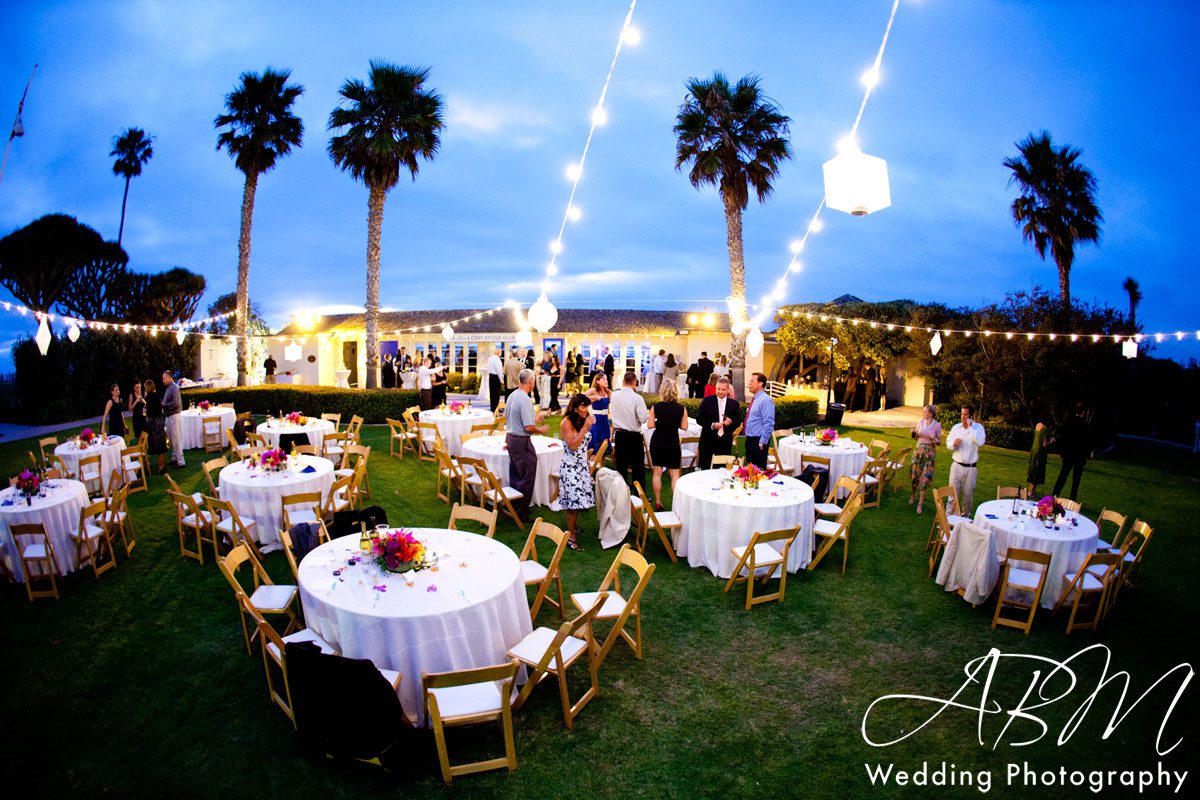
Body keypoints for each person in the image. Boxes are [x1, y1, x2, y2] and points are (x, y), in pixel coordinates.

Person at [505, 369, 547, 524]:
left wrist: (535, 417)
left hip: (511, 438)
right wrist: (541, 430)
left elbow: (516, 417)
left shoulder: (512, 396)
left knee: (516, 474)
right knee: (527, 475)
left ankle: (516, 507)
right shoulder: (524, 399)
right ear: (531, 382)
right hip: (520, 441)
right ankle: (521, 513)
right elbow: (528, 427)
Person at [558, 393, 596, 550]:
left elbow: (583, 447)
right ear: (574, 408)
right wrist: (586, 427)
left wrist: (587, 463)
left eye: (587, 406)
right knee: (572, 504)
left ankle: (573, 528)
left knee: (579, 501)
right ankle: (570, 536)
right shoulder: (566, 422)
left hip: (581, 466)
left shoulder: (581, 420)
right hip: (570, 467)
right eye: (583, 406)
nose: (586, 409)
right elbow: (573, 445)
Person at [647, 379, 688, 510]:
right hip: (672, 443)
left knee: (657, 473)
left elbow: (650, 425)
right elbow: (685, 427)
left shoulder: (656, 407)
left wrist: (660, 422)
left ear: (662, 391)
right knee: (675, 475)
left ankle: (658, 502)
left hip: (657, 442)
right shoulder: (681, 408)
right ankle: (676, 504)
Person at [610, 370, 649, 490]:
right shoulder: (637, 398)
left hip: (620, 434)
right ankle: (639, 492)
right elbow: (643, 419)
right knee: (638, 466)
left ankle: (621, 491)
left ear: (623, 382)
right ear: (634, 383)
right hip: (633, 435)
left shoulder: (614, 395)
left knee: (621, 464)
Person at [946, 405, 986, 516]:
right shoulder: (956, 428)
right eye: (962, 414)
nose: (963, 417)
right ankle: (948, 521)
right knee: (952, 495)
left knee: (968, 497)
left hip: (971, 468)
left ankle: (964, 520)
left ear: (971, 416)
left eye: (966, 414)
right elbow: (948, 443)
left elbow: (980, 442)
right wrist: (953, 444)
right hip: (956, 465)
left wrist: (970, 428)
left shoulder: (978, 428)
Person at [696, 376, 742, 470]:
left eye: (723, 389)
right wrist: (712, 425)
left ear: (728, 389)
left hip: (724, 442)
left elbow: (738, 421)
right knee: (705, 470)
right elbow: (699, 418)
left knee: (722, 471)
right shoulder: (707, 401)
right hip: (707, 441)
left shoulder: (734, 404)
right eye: (718, 389)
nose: (720, 391)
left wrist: (731, 422)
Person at [1051, 402, 1092, 501]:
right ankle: (1072, 499)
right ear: (1083, 412)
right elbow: (1087, 441)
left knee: (1063, 474)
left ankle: (1055, 494)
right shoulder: (1085, 426)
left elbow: (1062, 436)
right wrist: (1088, 452)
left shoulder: (1069, 423)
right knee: (1076, 479)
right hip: (1079, 456)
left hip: (1068, 454)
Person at [909, 404, 943, 514]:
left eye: (925, 412)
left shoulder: (937, 425)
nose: (923, 414)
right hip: (918, 452)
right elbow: (916, 438)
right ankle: (913, 494)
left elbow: (939, 442)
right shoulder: (920, 422)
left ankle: (920, 504)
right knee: (914, 475)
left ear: (931, 414)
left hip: (929, 454)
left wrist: (935, 440)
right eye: (923, 412)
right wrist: (913, 434)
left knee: (925, 477)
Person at [743, 372, 774, 470]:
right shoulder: (756, 399)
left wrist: (762, 442)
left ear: (760, 384)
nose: (749, 384)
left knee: (758, 472)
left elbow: (769, 423)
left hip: (758, 442)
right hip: (750, 440)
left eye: (752, 381)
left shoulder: (765, 400)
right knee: (750, 471)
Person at [143, 379, 169, 474]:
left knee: (158, 445)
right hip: (159, 421)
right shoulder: (157, 396)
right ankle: (162, 465)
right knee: (161, 444)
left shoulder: (149, 397)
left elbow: (149, 412)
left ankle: (161, 467)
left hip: (154, 423)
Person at [584, 372, 612, 455]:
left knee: (604, 442)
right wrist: (593, 397)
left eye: (606, 379)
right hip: (596, 420)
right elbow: (580, 396)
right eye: (604, 379)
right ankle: (591, 463)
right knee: (595, 442)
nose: (606, 381)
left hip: (605, 420)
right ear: (597, 381)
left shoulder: (608, 392)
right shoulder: (594, 390)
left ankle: (601, 465)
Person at [161, 370, 184, 468]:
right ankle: (174, 457)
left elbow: (176, 403)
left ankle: (181, 461)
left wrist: (163, 405)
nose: (163, 380)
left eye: (164, 378)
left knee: (176, 439)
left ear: (170, 378)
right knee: (171, 439)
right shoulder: (168, 388)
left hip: (174, 416)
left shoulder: (174, 388)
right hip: (169, 416)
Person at [1026, 421, 1052, 498]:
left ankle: (1031, 491)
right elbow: (1044, 444)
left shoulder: (1037, 425)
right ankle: (1031, 492)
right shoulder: (1045, 429)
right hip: (1040, 453)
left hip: (1034, 451)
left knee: (1033, 470)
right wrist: (1051, 441)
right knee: (1036, 472)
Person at [485, 348, 504, 413]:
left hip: (491, 377)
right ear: (498, 352)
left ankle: (492, 407)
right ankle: (496, 409)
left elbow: (487, 367)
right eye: (500, 352)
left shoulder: (490, 358)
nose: (501, 353)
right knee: (496, 394)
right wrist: (501, 380)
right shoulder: (497, 360)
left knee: (492, 393)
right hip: (496, 377)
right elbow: (499, 371)